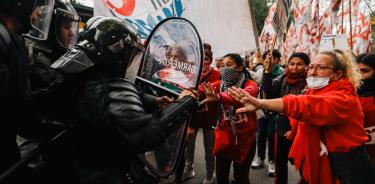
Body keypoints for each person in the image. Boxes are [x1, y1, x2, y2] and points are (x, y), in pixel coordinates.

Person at [46, 16, 199, 184]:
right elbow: (146, 135)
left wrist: (153, 100)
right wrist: (185, 101)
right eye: (130, 53)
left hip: (81, 164)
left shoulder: (83, 76)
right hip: (106, 173)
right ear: (117, 52)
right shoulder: (109, 86)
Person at [229, 49, 375, 184]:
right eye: (311, 67)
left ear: (337, 74)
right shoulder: (314, 91)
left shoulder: (345, 98)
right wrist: (296, 133)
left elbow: (306, 105)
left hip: (347, 167)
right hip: (322, 158)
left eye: (321, 68)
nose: (313, 72)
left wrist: (260, 103)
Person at [18, 0, 80, 160]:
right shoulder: (34, 57)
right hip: (34, 145)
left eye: (73, 26)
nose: (72, 32)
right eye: (66, 26)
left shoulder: (57, 54)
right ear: (51, 26)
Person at [0, 0, 55, 182]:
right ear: (19, 4)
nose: (38, 14)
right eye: (35, 7)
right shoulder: (3, 38)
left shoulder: (15, 39)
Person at [201, 53, 258, 184]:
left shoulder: (251, 84)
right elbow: (203, 89)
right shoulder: (220, 84)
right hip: (224, 137)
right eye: (223, 66)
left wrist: (220, 97)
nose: (224, 69)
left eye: (229, 65)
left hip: (245, 140)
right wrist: (191, 92)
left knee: (241, 177)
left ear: (239, 68)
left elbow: (241, 96)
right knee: (221, 176)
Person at [261, 52, 310, 184]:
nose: (295, 67)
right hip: (282, 127)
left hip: (301, 130)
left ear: (307, 66)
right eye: (292, 63)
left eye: (300, 64)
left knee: (302, 164)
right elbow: (267, 88)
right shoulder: (283, 78)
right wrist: (267, 71)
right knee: (280, 163)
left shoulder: (310, 82)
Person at [182, 43, 220, 184]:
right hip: (193, 115)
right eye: (202, 58)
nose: (204, 62)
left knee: (209, 147)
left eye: (207, 59)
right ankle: (188, 168)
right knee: (189, 143)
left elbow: (216, 90)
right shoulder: (192, 73)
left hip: (209, 116)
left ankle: (210, 174)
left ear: (211, 60)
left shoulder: (217, 74)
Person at [251, 49, 284, 177]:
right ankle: (260, 157)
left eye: (271, 59)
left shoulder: (281, 74)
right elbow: (258, 84)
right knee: (260, 134)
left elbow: (269, 88)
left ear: (277, 60)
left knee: (271, 135)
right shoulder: (261, 71)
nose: (268, 61)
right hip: (262, 109)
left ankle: (272, 161)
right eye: (265, 59)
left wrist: (268, 73)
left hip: (275, 110)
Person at [356, 53, 375, 165]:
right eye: (357, 72)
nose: (359, 76)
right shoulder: (346, 96)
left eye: (365, 71)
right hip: (359, 161)